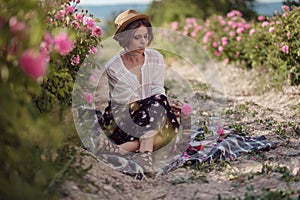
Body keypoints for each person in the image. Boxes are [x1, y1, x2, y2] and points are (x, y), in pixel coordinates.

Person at [97, 9, 186, 175]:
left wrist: (166, 103)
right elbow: (128, 99)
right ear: (124, 39)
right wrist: (161, 104)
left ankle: (120, 151)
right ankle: (145, 154)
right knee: (160, 111)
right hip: (123, 118)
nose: (143, 42)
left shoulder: (156, 58)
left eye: (146, 36)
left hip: (150, 116)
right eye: (137, 37)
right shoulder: (113, 66)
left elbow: (157, 89)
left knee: (172, 123)